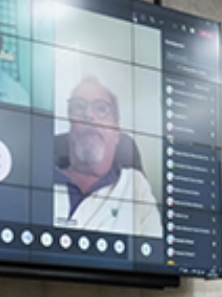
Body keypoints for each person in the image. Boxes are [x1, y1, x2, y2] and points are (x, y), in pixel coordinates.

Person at [54, 76, 163, 237]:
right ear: (71, 127)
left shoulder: (135, 186)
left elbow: (153, 250)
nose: (89, 115)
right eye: (78, 107)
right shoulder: (38, 176)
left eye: (101, 108)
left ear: (116, 132)